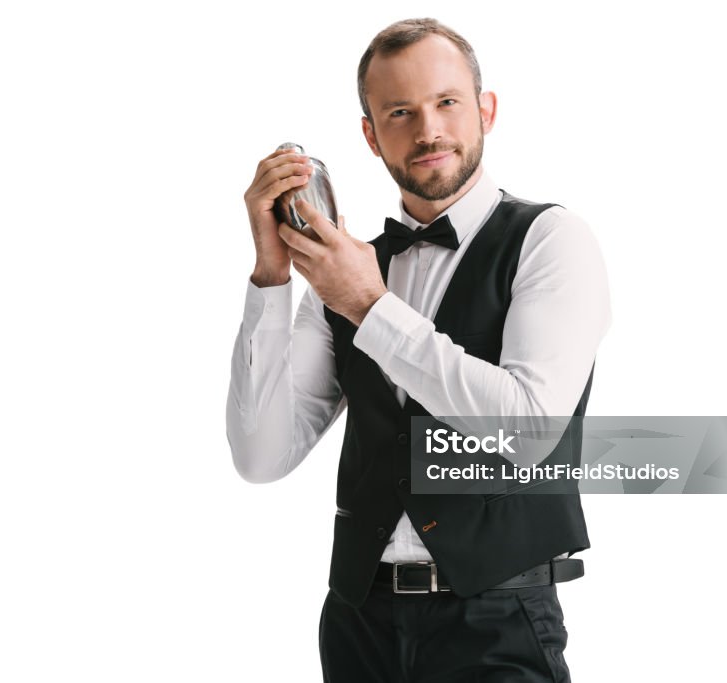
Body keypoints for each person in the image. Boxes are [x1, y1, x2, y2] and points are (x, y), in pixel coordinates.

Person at [226, 17, 611, 683]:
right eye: (400, 112)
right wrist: (272, 277)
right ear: (371, 134)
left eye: (447, 102)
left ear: (485, 109)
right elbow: (261, 457)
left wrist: (371, 307)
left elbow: (526, 429)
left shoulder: (552, 240)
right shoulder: (344, 271)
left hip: (496, 619)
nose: (428, 130)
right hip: (358, 622)